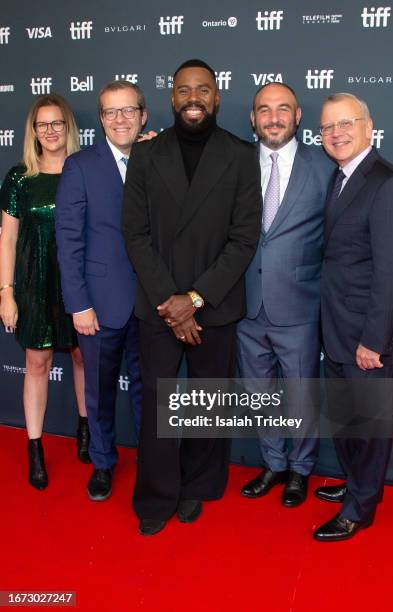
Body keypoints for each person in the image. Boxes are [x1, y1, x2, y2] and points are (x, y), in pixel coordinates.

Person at [122, 58, 262, 536]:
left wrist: (196, 298)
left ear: (217, 97)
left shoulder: (242, 155)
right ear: (172, 97)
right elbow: (134, 234)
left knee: (206, 402)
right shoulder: (146, 155)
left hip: (214, 304)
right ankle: (157, 495)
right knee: (158, 407)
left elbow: (244, 239)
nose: (193, 98)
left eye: (203, 89)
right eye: (184, 90)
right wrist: (172, 301)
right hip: (159, 305)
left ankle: (198, 487)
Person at [313, 92, 393, 541]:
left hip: (369, 337)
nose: (337, 133)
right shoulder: (342, 177)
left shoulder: (387, 183)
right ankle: (356, 486)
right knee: (348, 421)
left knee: (368, 429)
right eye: (328, 127)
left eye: (346, 123)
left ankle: (360, 507)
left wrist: (374, 340)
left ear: (369, 126)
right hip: (336, 329)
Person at [56, 80, 154, 503]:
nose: (120, 119)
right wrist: (78, 304)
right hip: (99, 305)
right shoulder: (81, 166)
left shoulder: (157, 159)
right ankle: (102, 463)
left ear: (143, 116)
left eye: (128, 110)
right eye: (111, 112)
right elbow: (69, 240)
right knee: (98, 392)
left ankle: (153, 463)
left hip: (152, 305)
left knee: (149, 391)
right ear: (100, 119)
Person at [237, 83, 334, 507]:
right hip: (246, 304)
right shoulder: (235, 163)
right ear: (252, 118)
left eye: (282, 110)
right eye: (264, 110)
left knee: (300, 395)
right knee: (258, 394)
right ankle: (274, 463)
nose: (273, 118)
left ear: (297, 117)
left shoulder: (325, 166)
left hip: (299, 303)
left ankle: (300, 469)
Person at [0, 93, 88, 491]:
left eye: (57, 123)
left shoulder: (85, 170)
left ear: (67, 127)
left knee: (84, 359)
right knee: (36, 365)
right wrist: (6, 293)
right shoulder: (21, 178)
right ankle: (34, 447)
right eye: (42, 124)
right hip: (35, 284)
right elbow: (7, 239)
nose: (50, 131)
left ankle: (87, 432)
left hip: (79, 284)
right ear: (33, 131)